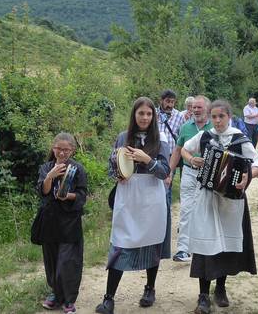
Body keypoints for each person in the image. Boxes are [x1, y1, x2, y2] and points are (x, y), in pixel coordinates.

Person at [180, 100, 258, 314]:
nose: (217, 121)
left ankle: (221, 288)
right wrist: (192, 160)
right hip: (207, 198)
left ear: (229, 116)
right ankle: (202, 295)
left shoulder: (239, 139)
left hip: (230, 201)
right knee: (204, 245)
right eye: (214, 117)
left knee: (225, 244)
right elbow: (184, 150)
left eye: (221, 117)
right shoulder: (205, 136)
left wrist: (248, 176)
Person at [95, 97, 171, 314]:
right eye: (141, 114)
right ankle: (108, 298)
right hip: (128, 196)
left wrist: (147, 159)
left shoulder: (160, 139)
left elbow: (165, 172)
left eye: (149, 114)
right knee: (120, 241)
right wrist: (118, 175)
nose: (145, 117)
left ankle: (150, 288)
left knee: (152, 242)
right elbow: (111, 167)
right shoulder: (122, 138)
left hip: (151, 197)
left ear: (153, 116)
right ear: (134, 115)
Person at [36, 132, 88, 313]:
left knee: (68, 262)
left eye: (66, 150)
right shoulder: (45, 168)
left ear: (72, 150)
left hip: (69, 221)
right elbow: (43, 192)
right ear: (53, 148)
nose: (62, 153)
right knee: (51, 261)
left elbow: (82, 195)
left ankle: (69, 300)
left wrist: (68, 195)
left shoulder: (78, 169)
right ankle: (55, 294)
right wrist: (50, 176)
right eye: (59, 149)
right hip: (49, 220)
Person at [171, 95, 212, 263]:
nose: (195, 110)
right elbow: (177, 150)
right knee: (186, 208)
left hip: (210, 174)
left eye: (199, 107)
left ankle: (205, 247)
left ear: (207, 109)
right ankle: (183, 250)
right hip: (188, 172)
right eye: (193, 107)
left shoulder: (215, 127)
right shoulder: (186, 127)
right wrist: (169, 172)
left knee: (206, 210)